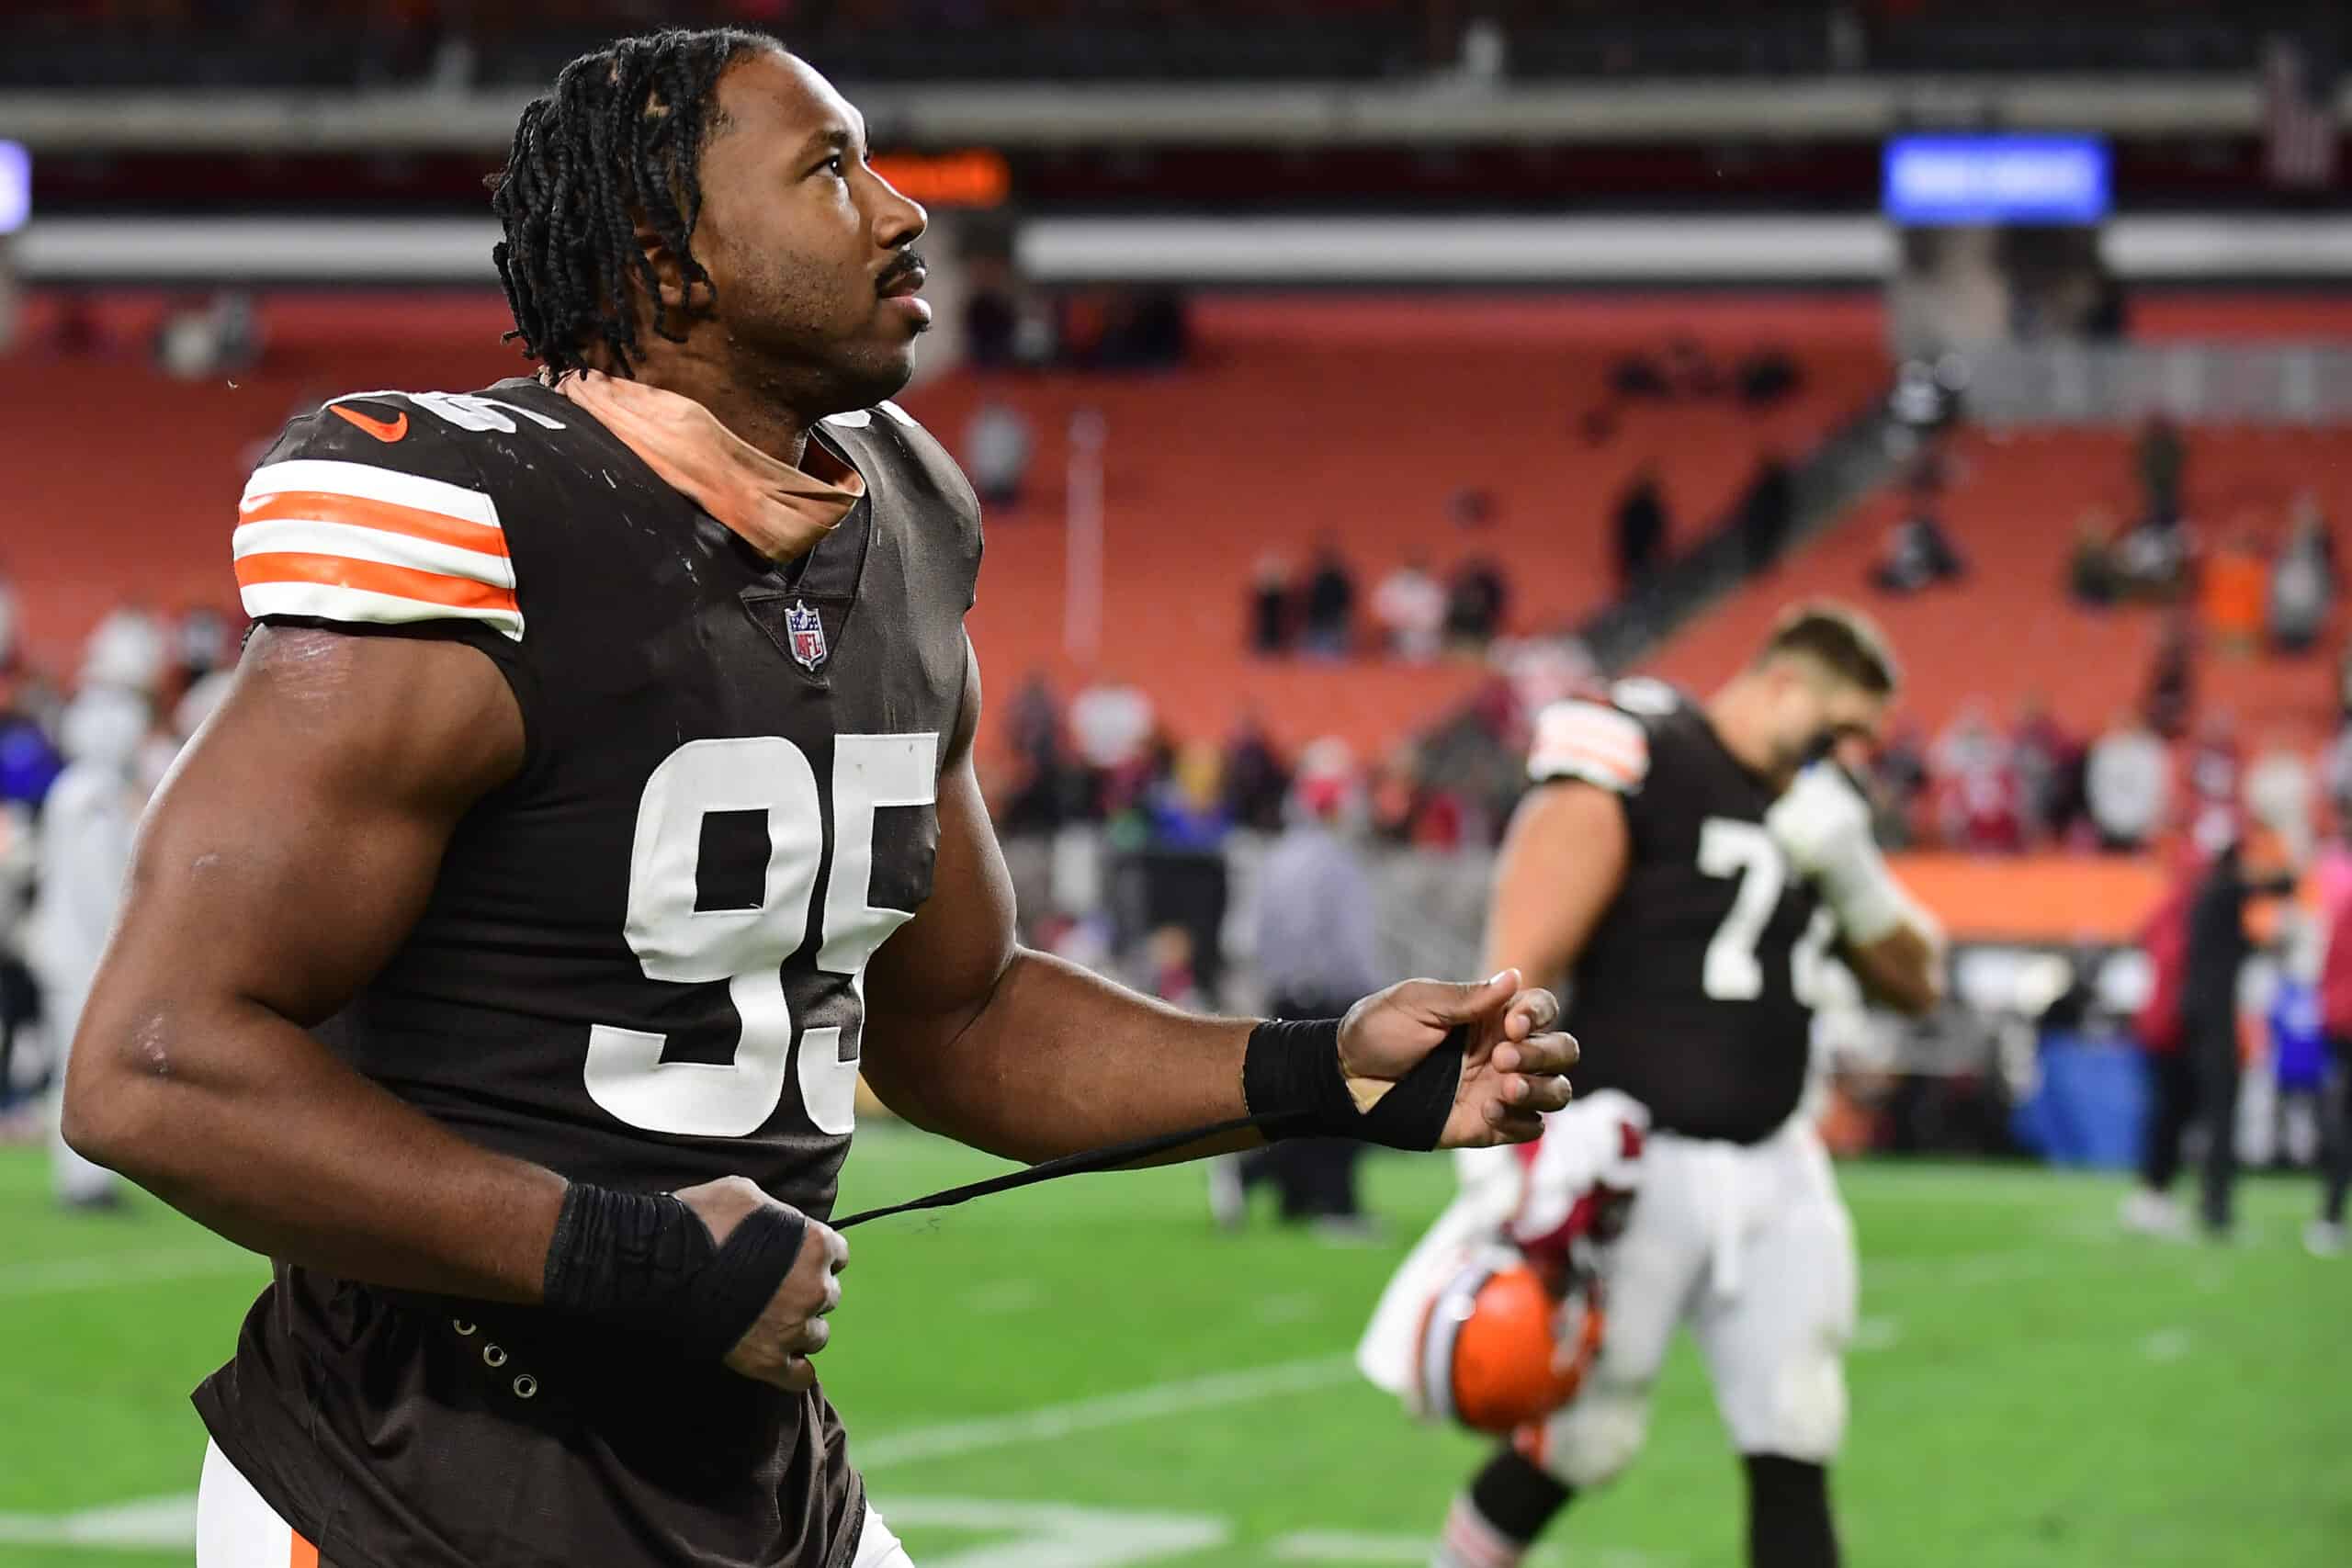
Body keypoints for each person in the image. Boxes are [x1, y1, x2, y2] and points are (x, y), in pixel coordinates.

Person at [58, 32, 1578, 1568]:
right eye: (829, 168)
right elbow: (155, 1066)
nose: (902, 211)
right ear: (670, 259)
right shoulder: (480, 531)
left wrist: (1324, 1069)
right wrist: (622, 1252)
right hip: (414, 1473)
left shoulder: (899, 525)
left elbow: (961, 1015)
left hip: (753, 1468)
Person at [1420, 604, 1944, 1568]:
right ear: (1784, 687)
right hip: (1631, 1160)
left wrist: (1852, 872)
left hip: (1777, 1166)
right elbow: (1519, 961)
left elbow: (1919, 980)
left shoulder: (1820, 814)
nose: (1848, 759)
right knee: (1578, 1437)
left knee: (1797, 1430)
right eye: (1837, 731)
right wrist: (1502, 1131)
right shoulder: (1642, 745)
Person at [1216, 748, 1385, 1238]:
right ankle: (1333, 1206)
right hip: (1327, 997)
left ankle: (1281, 1192)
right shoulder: (1331, 862)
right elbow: (1344, 942)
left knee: (1305, 1111)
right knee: (1342, 1109)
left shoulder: (1281, 856)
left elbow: (1258, 935)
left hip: (1287, 995)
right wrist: (1370, 993)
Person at [26, 685, 153, 1210]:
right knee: (80, 1065)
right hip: (81, 950)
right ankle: (84, 1181)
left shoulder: (76, 788)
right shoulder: (94, 795)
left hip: (70, 946)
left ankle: (87, 1177)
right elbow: (98, 886)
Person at [2085, 711, 2172, 852]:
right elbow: (2097, 787)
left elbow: (2157, 788)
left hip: (2141, 825)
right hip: (2109, 823)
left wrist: (2152, 820)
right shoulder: (2105, 750)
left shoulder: (2149, 752)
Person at [1611, 464, 1668, 595]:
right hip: (1640, 549)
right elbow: (1659, 530)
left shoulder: (1634, 505)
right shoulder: (1650, 506)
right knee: (1640, 573)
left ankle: (1636, 594)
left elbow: (1622, 526)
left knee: (1635, 573)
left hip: (1635, 548)